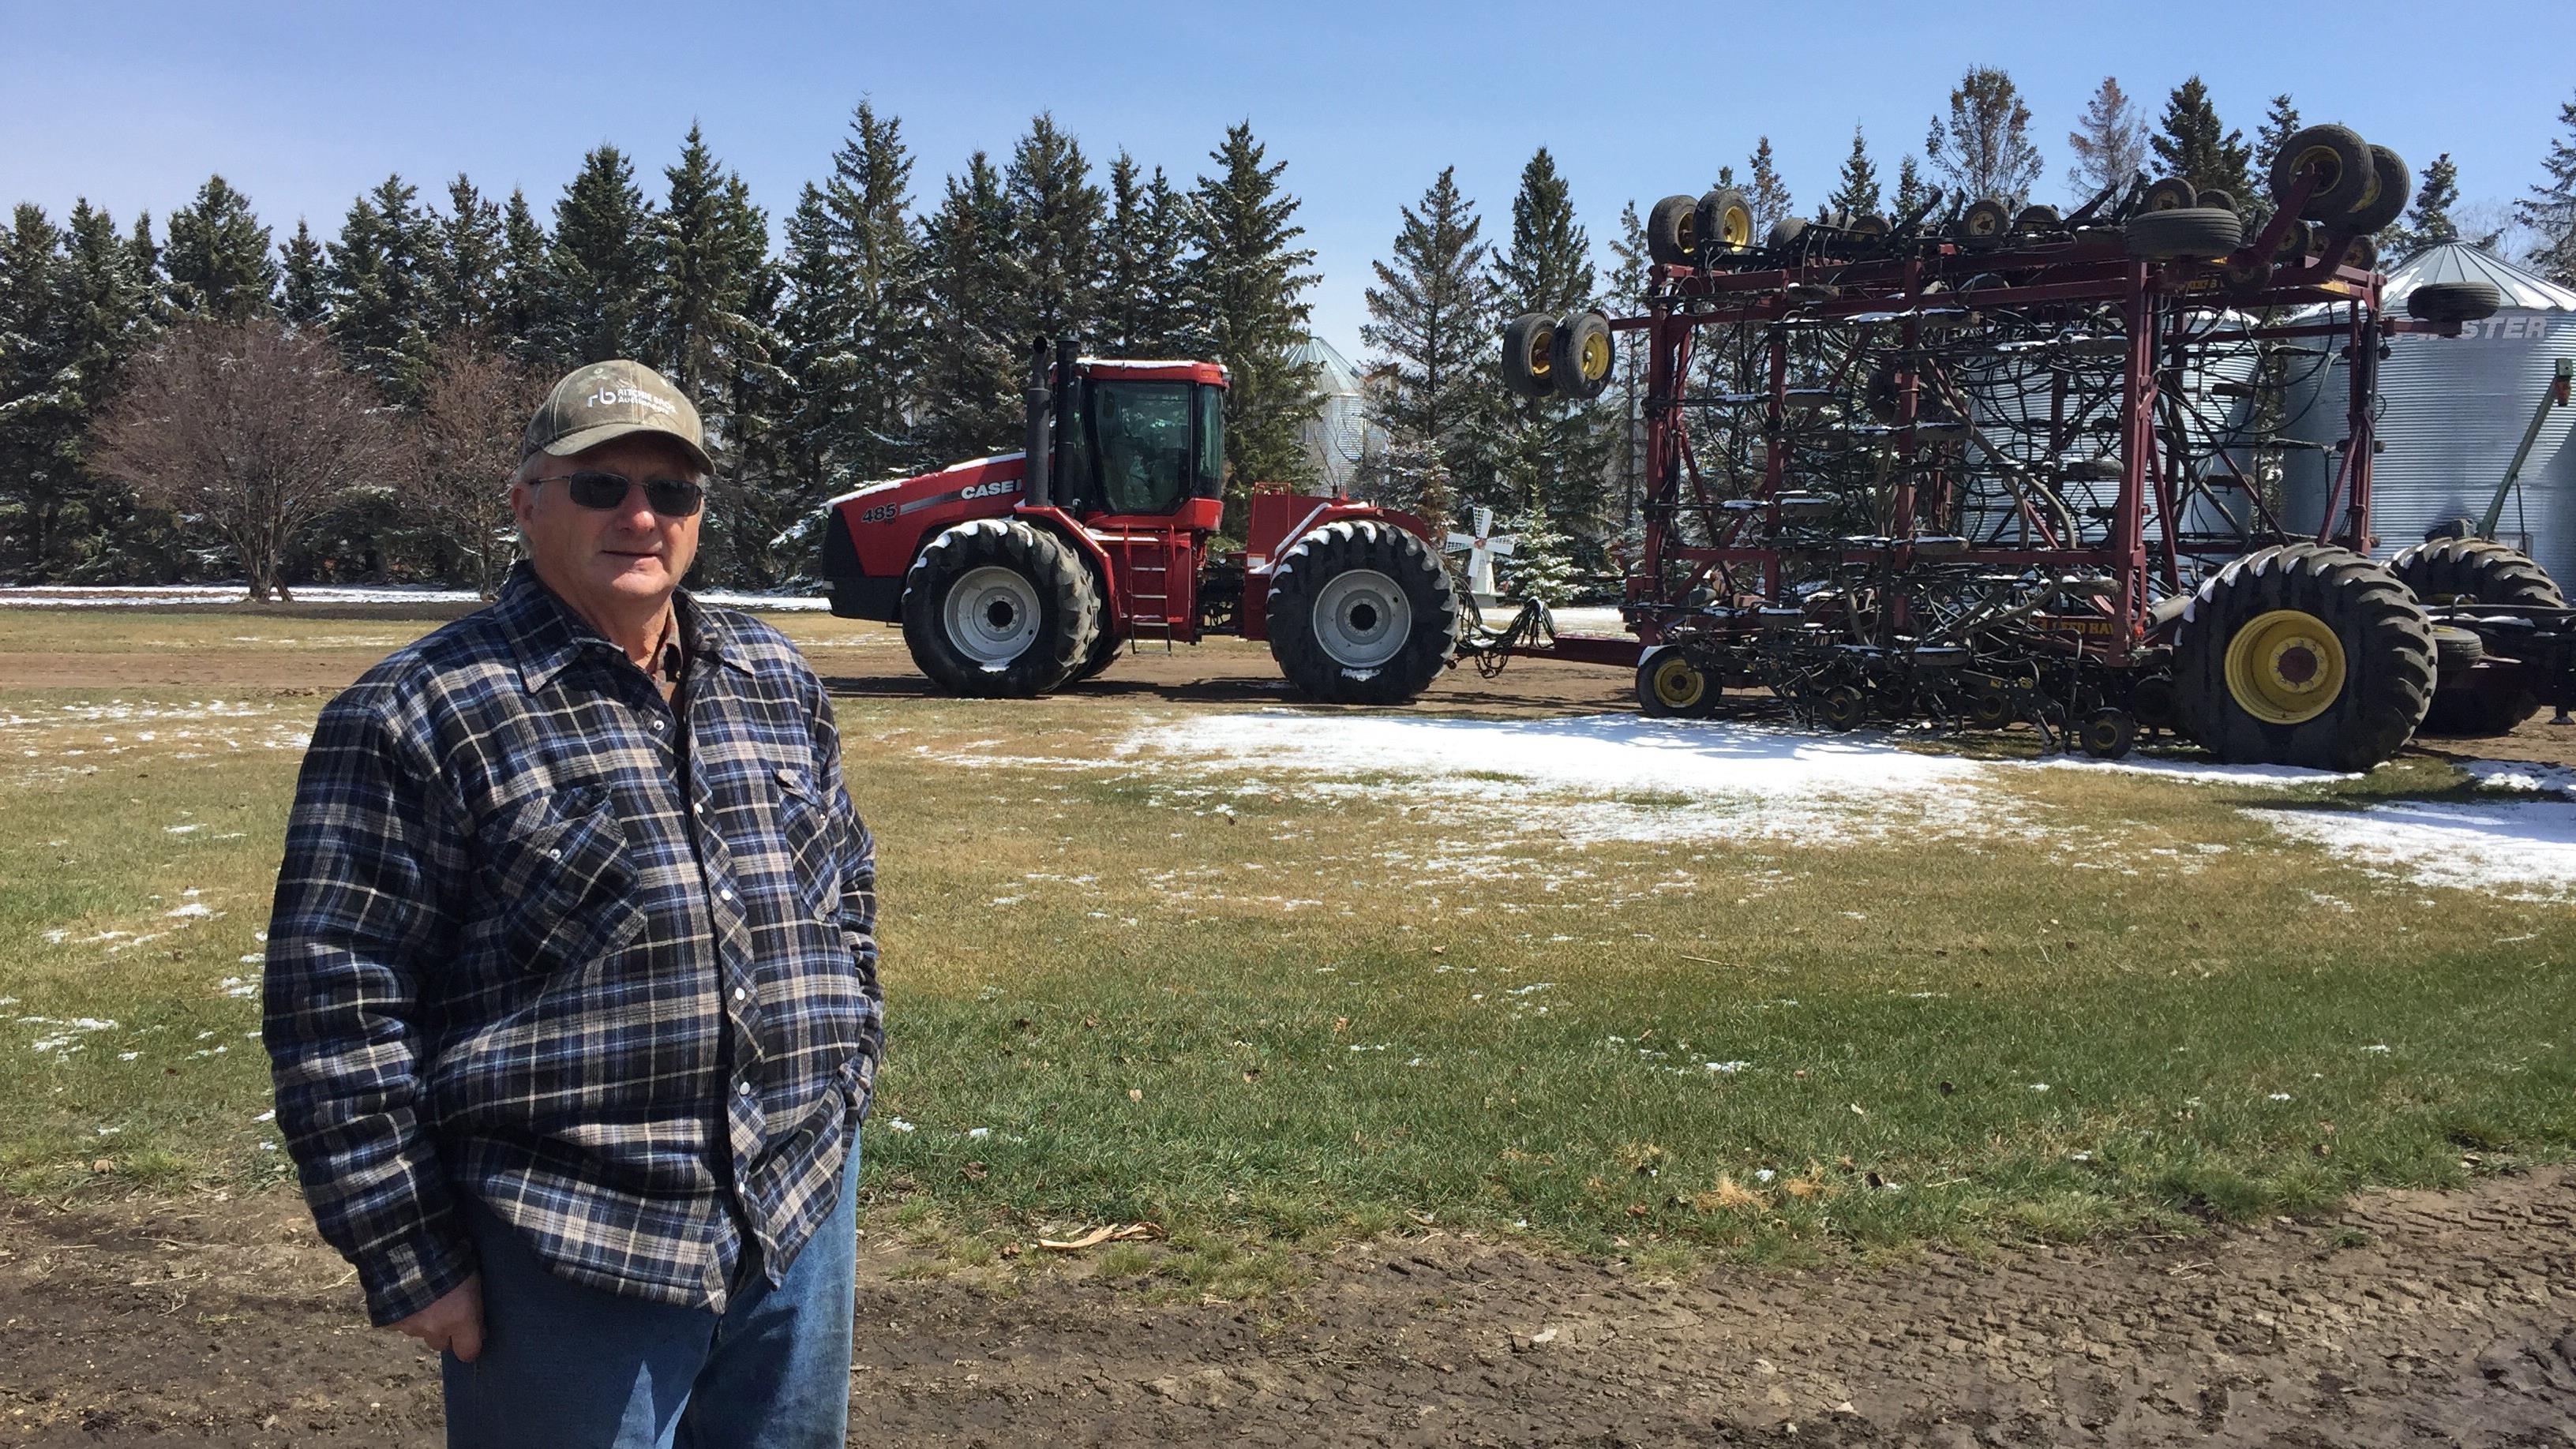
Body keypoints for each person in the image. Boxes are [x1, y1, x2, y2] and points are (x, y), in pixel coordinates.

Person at [262, 359, 883, 1448]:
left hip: (794, 1220)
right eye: (601, 486)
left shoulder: (773, 680)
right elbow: (336, 1005)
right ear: (526, 502)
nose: (641, 515)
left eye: (672, 490)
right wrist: (407, 1253)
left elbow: (848, 899)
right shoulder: (418, 712)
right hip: (566, 1247)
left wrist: (849, 1074)